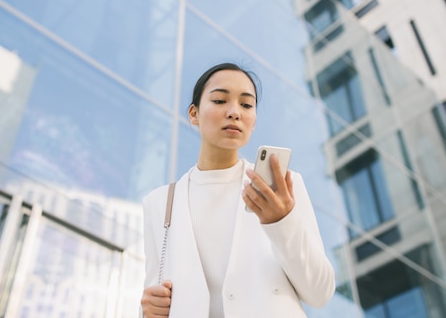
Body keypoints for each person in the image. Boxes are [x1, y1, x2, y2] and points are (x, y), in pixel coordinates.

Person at [140, 62, 335, 318]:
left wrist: (281, 222)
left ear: (253, 122)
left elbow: (319, 293)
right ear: (193, 114)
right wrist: (148, 310)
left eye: (246, 105)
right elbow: (155, 296)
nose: (234, 112)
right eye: (220, 101)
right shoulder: (160, 202)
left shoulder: (283, 187)